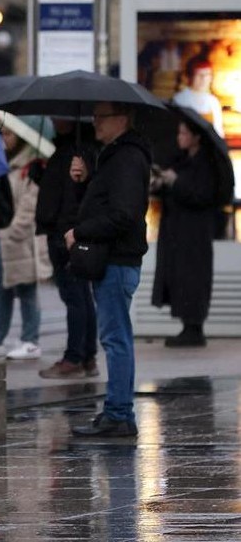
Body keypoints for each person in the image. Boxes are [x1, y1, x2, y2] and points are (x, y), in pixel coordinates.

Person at [66, 102, 152, 437]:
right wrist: (84, 181)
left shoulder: (127, 158)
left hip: (117, 261)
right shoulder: (115, 156)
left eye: (101, 116)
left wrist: (80, 232)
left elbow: (123, 214)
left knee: (116, 339)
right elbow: (108, 204)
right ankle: (117, 412)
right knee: (116, 337)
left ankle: (119, 414)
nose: (95, 123)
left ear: (122, 119)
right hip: (115, 260)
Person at [37, 120, 99, 379]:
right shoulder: (67, 151)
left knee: (76, 297)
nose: (54, 121)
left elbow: (73, 196)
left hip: (66, 233)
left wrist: (65, 230)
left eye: (59, 118)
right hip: (64, 230)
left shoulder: (77, 152)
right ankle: (86, 356)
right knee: (81, 297)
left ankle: (76, 357)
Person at [151, 119, 220, 348]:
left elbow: (201, 195)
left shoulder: (206, 165)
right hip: (177, 232)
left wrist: (176, 181)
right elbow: (174, 191)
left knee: (193, 278)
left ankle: (194, 327)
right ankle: (186, 325)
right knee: (179, 277)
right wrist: (161, 183)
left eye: (184, 133)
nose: (179, 137)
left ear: (196, 137)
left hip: (195, 234)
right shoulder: (181, 161)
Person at [0, 128, 52, 360]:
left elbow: (29, 206)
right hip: (5, 237)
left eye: (9, 134)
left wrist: (11, 232)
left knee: (26, 289)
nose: (4, 138)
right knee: (0, 289)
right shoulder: (9, 163)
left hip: (21, 241)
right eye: (1, 134)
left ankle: (30, 340)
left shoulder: (31, 166)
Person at [173, 58, 224, 137]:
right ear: (190, 76)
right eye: (199, 75)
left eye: (207, 75)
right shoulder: (180, 99)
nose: (203, 79)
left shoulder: (213, 101)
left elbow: (218, 131)